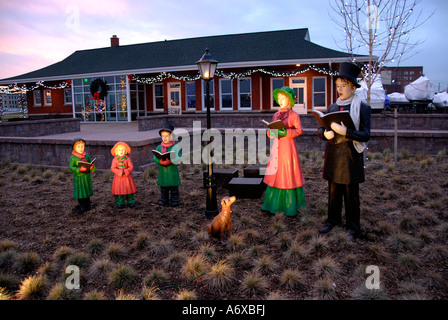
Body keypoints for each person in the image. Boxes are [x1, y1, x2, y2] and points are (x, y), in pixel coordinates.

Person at [317, 62, 371, 239]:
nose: (339, 89)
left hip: (350, 158)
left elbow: (365, 134)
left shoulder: (362, 108)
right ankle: (333, 221)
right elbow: (320, 128)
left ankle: (353, 227)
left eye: (344, 86)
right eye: (338, 86)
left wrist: (347, 132)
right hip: (333, 156)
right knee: (333, 192)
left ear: (353, 87)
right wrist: (326, 134)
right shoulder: (333, 107)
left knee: (351, 194)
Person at [261, 86, 306, 217]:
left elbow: (299, 131)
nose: (280, 101)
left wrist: (286, 132)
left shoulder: (294, 115)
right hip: (277, 147)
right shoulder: (276, 115)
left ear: (290, 100)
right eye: (279, 98)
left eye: (283, 98)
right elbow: (271, 132)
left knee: (287, 173)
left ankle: (289, 205)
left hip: (288, 148)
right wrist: (270, 131)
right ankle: (271, 204)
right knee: (276, 172)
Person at [153, 124, 181, 207]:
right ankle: (164, 199)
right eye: (163, 136)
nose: (164, 138)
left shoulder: (175, 147)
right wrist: (160, 161)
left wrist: (171, 160)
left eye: (167, 136)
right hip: (163, 172)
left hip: (172, 172)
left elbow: (178, 158)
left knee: (173, 188)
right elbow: (155, 157)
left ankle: (174, 200)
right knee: (163, 187)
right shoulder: (159, 147)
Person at [69, 138, 96, 213]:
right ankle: (82, 205)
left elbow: (90, 163)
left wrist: (91, 167)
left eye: (82, 146)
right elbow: (71, 167)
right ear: (74, 148)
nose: (81, 148)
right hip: (79, 177)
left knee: (87, 189)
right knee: (81, 190)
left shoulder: (86, 156)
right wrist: (79, 170)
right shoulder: (73, 157)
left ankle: (88, 203)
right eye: (78, 147)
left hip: (86, 177)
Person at [110, 141, 137, 209]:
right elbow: (113, 168)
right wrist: (120, 172)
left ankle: (130, 201)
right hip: (118, 178)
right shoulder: (115, 160)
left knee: (129, 189)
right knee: (119, 190)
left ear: (125, 151)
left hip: (127, 178)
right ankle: (120, 202)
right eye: (119, 150)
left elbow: (131, 167)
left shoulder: (127, 159)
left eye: (122, 149)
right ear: (116, 151)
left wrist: (126, 171)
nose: (121, 151)